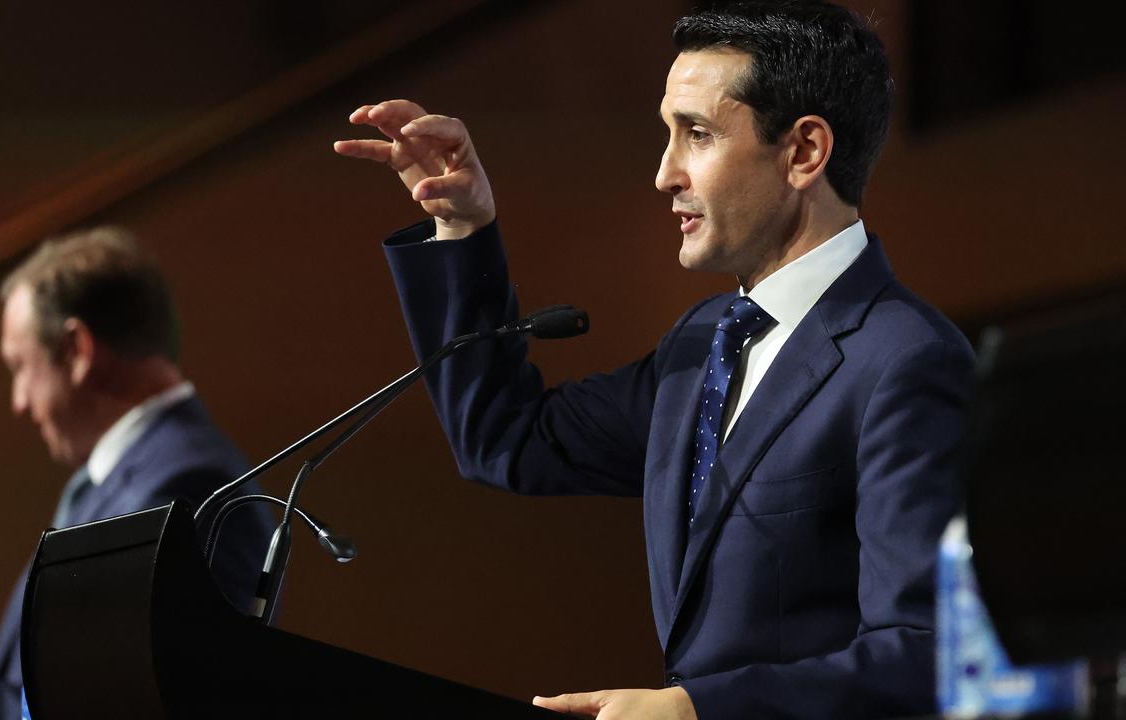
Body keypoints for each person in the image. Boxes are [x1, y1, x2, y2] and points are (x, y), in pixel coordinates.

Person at [334, 2, 974, 718]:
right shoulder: (704, 343)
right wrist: (462, 227)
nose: (665, 173)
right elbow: (503, 438)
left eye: (696, 134)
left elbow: (927, 652)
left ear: (803, 152)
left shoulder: (906, 360)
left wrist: (699, 710)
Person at [0, 227, 272, 720]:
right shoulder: (131, 478)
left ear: (77, 350)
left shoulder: (182, 484)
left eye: (20, 367)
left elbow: (118, 704)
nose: (18, 403)